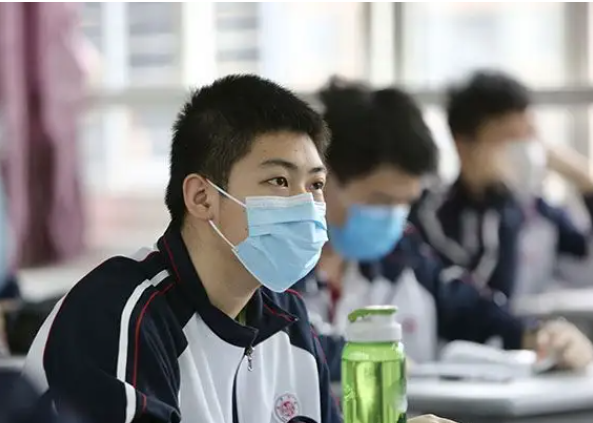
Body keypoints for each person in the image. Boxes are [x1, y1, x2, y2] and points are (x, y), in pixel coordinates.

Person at [23, 75, 339, 423]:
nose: (306, 204)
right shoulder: (118, 312)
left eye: (316, 184)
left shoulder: (288, 319)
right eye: (279, 181)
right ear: (202, 198)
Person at [296, 78, 593, 379]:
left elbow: (470, 309)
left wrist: (540, 336)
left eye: (404, 203)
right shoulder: (280, 268)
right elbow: (295, 340)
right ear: (319, 180)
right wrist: (375, 361)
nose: (391, 217)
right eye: (380, 200)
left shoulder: (401, 256)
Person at [411, 70, 593, 301]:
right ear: (464, 145)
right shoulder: (432, 214)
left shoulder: (537, 211)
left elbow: (586, 268)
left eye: (530, 135)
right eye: (509, 138)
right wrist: (499, 202)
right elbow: (486, 296)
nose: (524, 148)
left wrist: (586, 182)